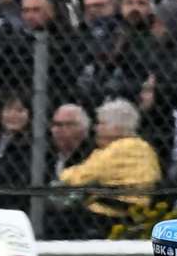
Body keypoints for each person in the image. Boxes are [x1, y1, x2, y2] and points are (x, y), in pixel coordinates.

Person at [55, 98, 163, 237]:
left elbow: (80, 176)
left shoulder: (121, 148)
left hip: (113, 212)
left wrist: (64, 173)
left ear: (117, 127)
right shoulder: (142, 147)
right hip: (125, 208)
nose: (96, 128)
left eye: (102, 124)